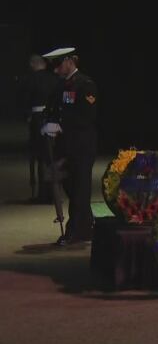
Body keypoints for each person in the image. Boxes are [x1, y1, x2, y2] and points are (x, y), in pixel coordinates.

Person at [41, 47, 98, 246]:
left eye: (58, 65)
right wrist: (48, 122)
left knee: (80, 190)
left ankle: (77, 231)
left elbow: (87, 116)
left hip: (82, 146)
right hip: (66, 146)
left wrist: (61, 125)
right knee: (71, 187)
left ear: (69, 61)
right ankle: (86, 225)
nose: (55, 70)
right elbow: (55, 108)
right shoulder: (62, 85)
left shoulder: (85, 85)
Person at [17, 54, 60, 203]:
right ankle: (54, 193)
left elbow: (24, 100)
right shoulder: (54, 79)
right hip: (53, 119)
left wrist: (27, 116)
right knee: (53, 156)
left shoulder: (30, 80)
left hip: (37, 119)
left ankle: (42, 194)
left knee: (40, 156)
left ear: (33, 64)